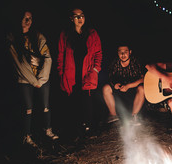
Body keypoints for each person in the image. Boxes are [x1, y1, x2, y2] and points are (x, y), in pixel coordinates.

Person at [7, 10, 58, 147]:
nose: (27, 21)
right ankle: (27, 136)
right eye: (24, 18)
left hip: (42, 78)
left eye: (29, 18)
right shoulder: (12, 39)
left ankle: (48, 130)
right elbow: (20, 65)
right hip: (25, 80)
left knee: (46, 106)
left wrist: (41, 79)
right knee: (28, 108)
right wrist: (34, 82)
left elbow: (48, 57)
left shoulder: (38, 36)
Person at [57, 7, 102, 135]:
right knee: (73, 100)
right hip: (71, 73)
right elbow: (60, 55)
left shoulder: (92, 33)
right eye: (76, 16)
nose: (79, 19)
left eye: (81, 16)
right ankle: (75, 129)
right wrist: (61, 73)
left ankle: (88, 127)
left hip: (87, 72)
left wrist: (95, 70)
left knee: (86, 99)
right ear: (71, 19)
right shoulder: (65, 34)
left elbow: (98, 53)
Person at [102, 44, 146, 124]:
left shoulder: (136, 62)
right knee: (106, 88)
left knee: (142, 89)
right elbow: (111, 77)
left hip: (133, 88)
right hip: (120, 89)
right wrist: (115, 84)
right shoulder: (115, 63)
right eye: (120, 52)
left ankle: (134, 116)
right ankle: (113, 115)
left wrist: (129, 86)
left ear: (130, 52)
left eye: (125, 52)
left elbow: (143, 78)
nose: (123, 55)